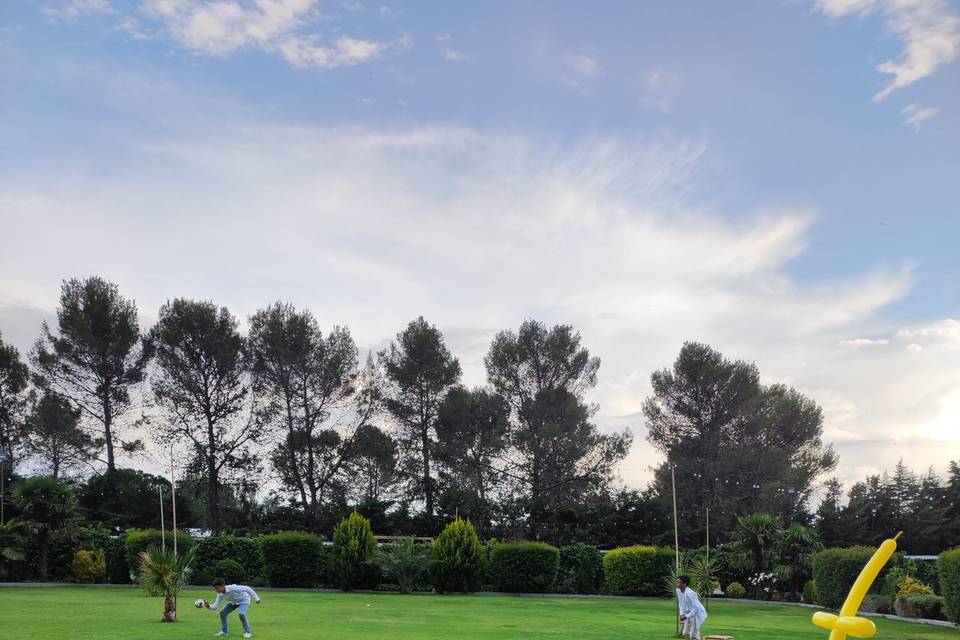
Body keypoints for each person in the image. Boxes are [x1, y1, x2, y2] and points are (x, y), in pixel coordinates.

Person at [676, 575, 708, 640]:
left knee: (693, 636)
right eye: (677, 582)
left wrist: (686, 616)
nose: (677, 584)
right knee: (685, 633)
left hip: (697, 614)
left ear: (685, 584)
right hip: (688, 613)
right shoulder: (678, 591)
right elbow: (681, 603)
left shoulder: (690, 594)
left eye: (679, 582)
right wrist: (681, 614)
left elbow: (696, 609)